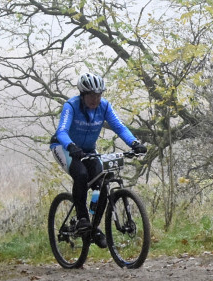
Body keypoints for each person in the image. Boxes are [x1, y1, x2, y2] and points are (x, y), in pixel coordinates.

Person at [51, 73, 147, 249]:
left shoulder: (104, 106)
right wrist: (71, 146)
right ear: (82, 94)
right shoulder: (71, 106)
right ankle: (81, 218)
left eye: (98, 95)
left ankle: (93, 228)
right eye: (91, 95)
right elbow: (61, 131)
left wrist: (134, 143)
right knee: (80, 174)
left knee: (101, 180)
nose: (95, 99)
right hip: (64, 147)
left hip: (87, 149)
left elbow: (119, 127)